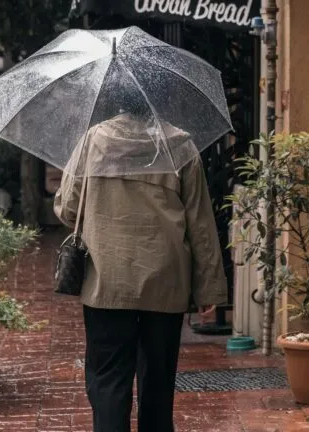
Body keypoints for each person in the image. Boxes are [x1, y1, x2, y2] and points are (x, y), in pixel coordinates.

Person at [54, 102, 228, 432]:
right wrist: (208, 287)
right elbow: (201, 225)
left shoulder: (93, 141)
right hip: (166, 282)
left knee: (107, 380)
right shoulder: (181, 145)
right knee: (159, 385)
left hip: (107, 281)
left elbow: (67, 208)